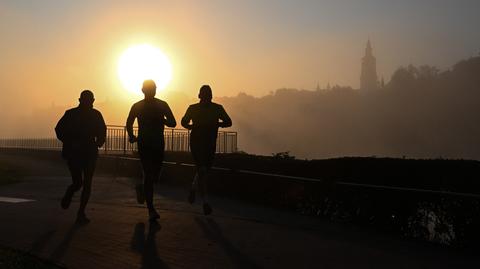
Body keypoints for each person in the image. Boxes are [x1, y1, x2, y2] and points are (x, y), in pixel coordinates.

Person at [126, 79, 176, 221]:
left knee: (154, 176)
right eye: (149, 89)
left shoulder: (162, 105)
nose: (151, 91)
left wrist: (161, 120)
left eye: (153, 88)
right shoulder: (137, 106)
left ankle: (142, 188)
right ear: (143, 91)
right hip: (144, 144)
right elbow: (129, 122)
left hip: (158, 144)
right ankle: (151, 209)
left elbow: (173, 122)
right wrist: (132, 136)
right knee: (148, 174)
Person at [55, 90, 106, 224]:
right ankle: (71, 192)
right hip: (75, 153)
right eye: (88, 101)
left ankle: (81, 212)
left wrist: (99, 142)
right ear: (81, 100)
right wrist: (70, 142)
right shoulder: (71, 114)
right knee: (79, 182)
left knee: (87, 183)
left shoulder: (95, 115)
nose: (89, 103)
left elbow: (102, 130)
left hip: (89, 152)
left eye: (90, 101)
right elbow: (59, 129)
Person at [181, 85, 232, 215]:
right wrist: (216, 124)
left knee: (203, 170)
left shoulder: (211, 108)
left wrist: (193, 126)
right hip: (198, 144)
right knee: (203, 171)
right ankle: (205, 202)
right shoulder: (214, 109)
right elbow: (228, 122)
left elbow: (184, 122)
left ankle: (193, 187)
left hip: (208, 144)